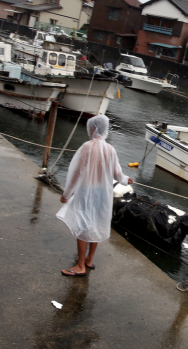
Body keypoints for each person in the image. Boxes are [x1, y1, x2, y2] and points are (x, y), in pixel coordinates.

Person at [57, 115, 133, 277]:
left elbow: (77, 173)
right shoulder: (111, 149)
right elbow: (117, 174)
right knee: (97, 222)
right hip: (103, 193)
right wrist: (126, 180)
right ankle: (89, 259)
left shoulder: (88, 146)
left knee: (83, 224)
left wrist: (66, 194)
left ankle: (80, 266)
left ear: (93, 128)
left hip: (87, 192)